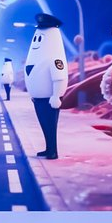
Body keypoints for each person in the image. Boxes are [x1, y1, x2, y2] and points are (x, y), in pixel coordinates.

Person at [24, 12, 70, 159]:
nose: (37, 41)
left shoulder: (56, 57)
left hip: (50, 99)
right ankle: (48, 148)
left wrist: (56, 95)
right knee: (44, 124)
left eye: (40, 38)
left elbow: (59, 77)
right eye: (36, 38)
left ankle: (53, 151)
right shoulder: (37, 55)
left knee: (50, 125)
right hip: (38, 99)